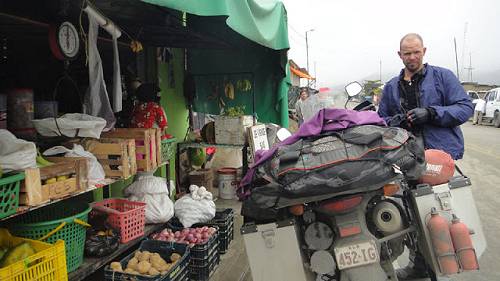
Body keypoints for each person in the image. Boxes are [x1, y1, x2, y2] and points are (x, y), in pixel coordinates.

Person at [378, 33, 473, 280]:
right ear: (399, 55)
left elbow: (465, 107)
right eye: (407, 53)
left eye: (416, 52)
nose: (412, 57)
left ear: (424, 51)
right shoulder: (390, 87)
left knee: (439, 213)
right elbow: (381, 121)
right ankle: (420, 264)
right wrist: (395, 123)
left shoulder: (442, 77)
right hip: (405, 160)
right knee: (410, 216)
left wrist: (432, 113)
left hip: (438, 158)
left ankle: (441, 265)